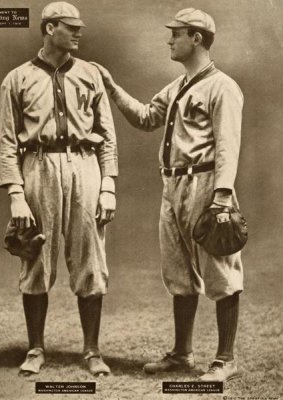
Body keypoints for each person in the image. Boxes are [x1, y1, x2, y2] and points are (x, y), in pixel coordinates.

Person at [92, 8, 244, 382]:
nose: (169, 40)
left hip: (207, 184)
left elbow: (228, 144)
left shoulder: (221, 85)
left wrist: (222, 196)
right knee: (178, 273)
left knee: (220, 270)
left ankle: (226, 359)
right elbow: (145, 118)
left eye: (176, 34)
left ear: (197, 38)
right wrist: (111, 87)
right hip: (172, 186)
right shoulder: (177, 86)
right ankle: (181, 354)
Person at [0, 1, 118, 377]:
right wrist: (16, 193)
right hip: (38, 166)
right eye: (70, 27)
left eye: (79, 27)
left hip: (85, 166)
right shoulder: (16, 78)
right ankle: (35, 349)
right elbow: (6, 142)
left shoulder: (91, 74)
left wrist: (109, 183)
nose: (79, 32)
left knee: (91, 260)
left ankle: (92, 352)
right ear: (50, 29)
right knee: (35, 258)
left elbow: (107, 135)